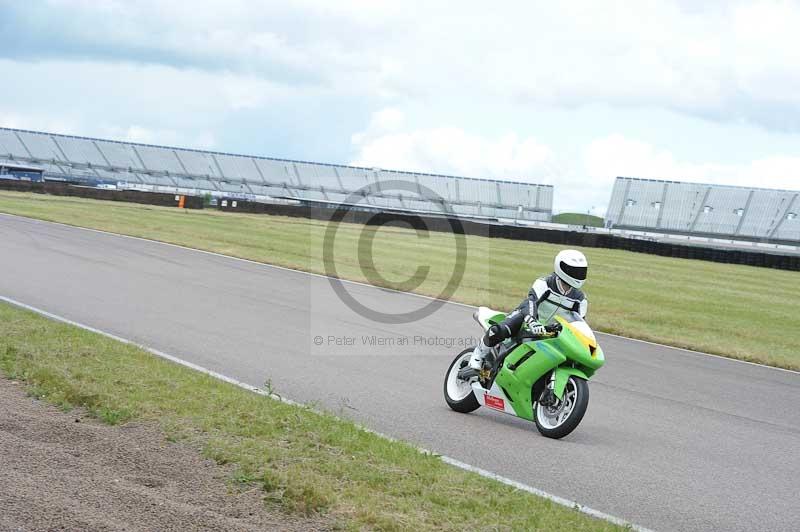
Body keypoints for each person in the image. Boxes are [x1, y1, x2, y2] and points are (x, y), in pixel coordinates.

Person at [468, 249, 589, 371]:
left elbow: (580, 324)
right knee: (499, 330)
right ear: (561, 268)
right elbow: (530, 302)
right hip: (526, 319)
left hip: (551, 331)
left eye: (581, 271)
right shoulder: (544, 283)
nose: (578, 275)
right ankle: (478, 354)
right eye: (574, 271)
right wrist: (532, 321)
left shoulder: (580, 299)